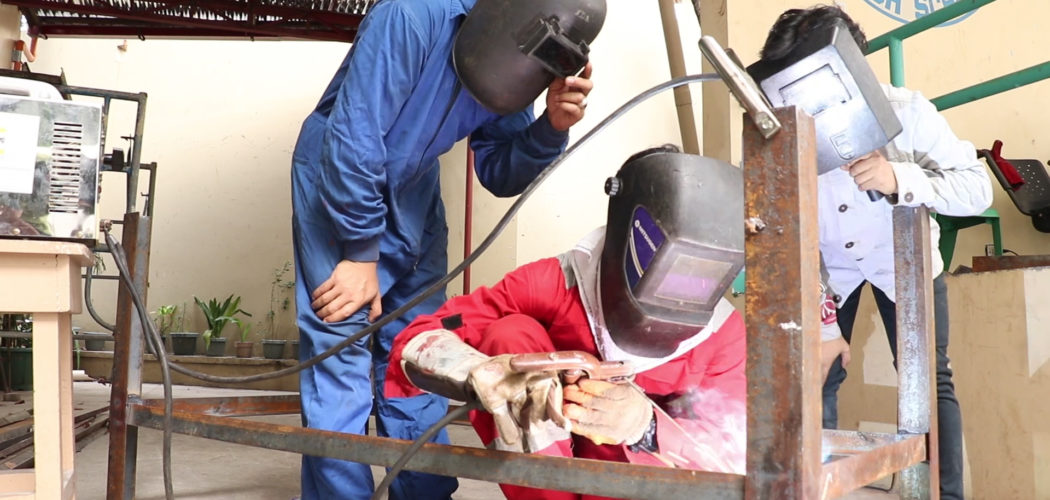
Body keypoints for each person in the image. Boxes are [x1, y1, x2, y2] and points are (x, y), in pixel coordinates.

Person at [385, 146, 850, 500]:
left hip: (638, 482)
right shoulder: (555, 282)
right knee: (508, 336)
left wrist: (645, 424)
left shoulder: (722, 339)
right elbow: (416, 339)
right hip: (552, 475)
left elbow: (733, 454)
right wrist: (477, 373)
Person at [289, 0, 596, 498]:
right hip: (337, 178)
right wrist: (361, 252)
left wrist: (550, 127)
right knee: (339, 349)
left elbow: (499, 169)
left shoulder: (519, 40)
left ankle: (424, 493)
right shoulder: (411, 15)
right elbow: (354, 137)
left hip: (415, 191)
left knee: (419, 350)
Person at [758, 6, 993, 499]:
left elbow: (978, 190)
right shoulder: (781, 123)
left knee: (929, 382)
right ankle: (810, 491)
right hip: (825, 268)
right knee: (814, 377)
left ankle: (944, 495)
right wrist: (822, 328)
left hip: (901, 259)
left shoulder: (906, 110)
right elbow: (784, 231)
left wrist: (899, 179)